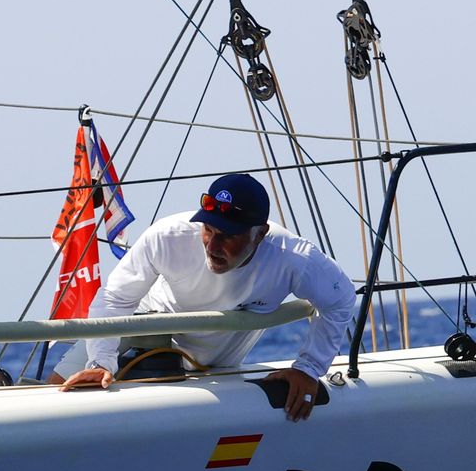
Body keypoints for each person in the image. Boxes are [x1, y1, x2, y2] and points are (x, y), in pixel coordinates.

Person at [51, 173, 356, 422]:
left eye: (228, 236)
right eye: (208, 230)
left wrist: (309, 368)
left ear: (260, 233)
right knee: (55, 393)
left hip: (219, 356)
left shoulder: (293, 257)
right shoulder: (167, 236)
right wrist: (102, 361)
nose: (212, 244)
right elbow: (115, 298)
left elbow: (341, 298)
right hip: (143, 328)